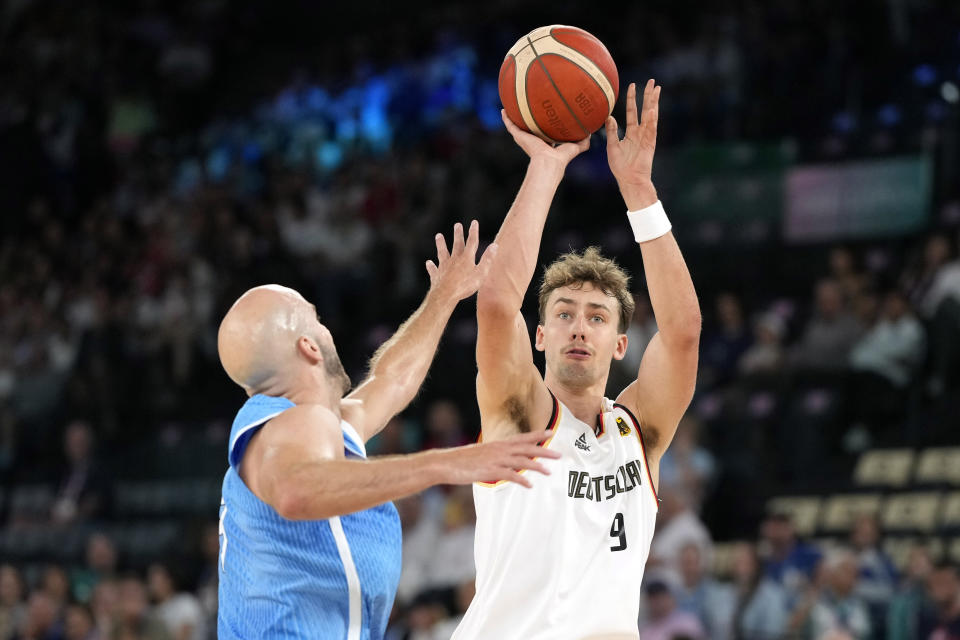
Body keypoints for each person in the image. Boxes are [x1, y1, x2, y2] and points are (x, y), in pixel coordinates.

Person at [216, 221, 560, 639]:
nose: (326, 329)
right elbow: (295, 489)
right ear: (308, 347)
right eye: (317, 320)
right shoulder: (293, 421)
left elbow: (392, 380)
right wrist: (447, 463)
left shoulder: (322, 427)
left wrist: (443, 296)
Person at [454, 80, 701, 639]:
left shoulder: (640, 429)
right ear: (540, 336)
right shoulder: (518, 414)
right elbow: (495, 304)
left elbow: (683, 334)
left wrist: (639, 190)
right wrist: (545, 166)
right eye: (564, 313)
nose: (579, 328)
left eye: (597, 316)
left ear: (620, 344)